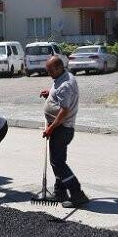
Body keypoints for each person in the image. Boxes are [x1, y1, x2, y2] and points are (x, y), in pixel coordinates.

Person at [40, 56, 89, 208]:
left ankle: (77, 193)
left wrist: (50, 128)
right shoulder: (63, 77)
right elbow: (62, 98)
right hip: (61, 128)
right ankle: (60, 192)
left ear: (59, 67)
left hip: (62, 129)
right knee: (58, 161)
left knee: (58, 163)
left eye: (50, 70)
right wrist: (51, 94)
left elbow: (64, 111)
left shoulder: (66, 84)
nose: (49, 73)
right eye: (47, 70)